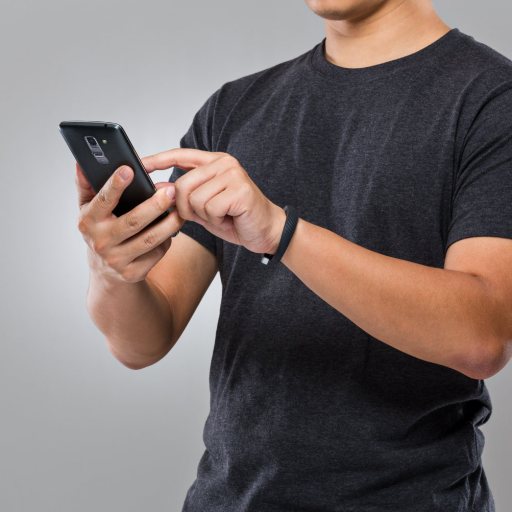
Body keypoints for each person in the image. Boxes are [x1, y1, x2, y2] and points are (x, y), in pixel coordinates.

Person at [74, 0, 512, 510]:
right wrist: (111, 268)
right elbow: (142, 342)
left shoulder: (493, 99)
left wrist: (280, 233)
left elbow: (483, 336)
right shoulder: (235, 107)